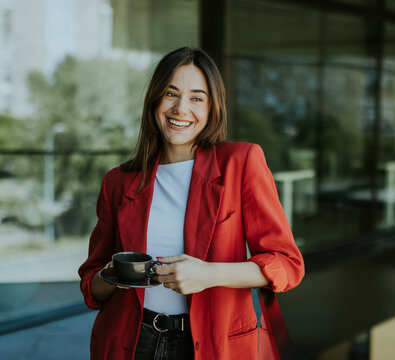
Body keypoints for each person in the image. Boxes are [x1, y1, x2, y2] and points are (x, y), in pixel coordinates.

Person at [78, 47, 305, 360]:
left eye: (197, 98)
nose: (181, 108)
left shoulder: (241, 163)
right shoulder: (118, 182)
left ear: (211, 108)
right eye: (171, 93)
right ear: (154, 100)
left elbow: (287, 265)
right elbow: (92, 284)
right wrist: (116, 274)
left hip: (213, 345)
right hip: (129, 343)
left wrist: (209, 274)